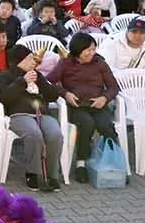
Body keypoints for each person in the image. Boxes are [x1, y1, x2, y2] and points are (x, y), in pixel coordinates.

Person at [52, 32, 122, 179]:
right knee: (86, 123)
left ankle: (116, 163)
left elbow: (113, 87)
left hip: (97, 104)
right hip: (76, 106)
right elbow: (49, 82)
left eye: (93, 49)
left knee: (106, 125)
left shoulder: (99, 63)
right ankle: (81, 163)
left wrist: (104, 98)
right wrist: (65, 94)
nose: (91, 53)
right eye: (88, 50)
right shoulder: (65, 63)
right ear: (78, 50)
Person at [0, 44, 63, 191]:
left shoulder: (37, 75)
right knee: (34, 134)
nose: (34, 61)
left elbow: (52, 95)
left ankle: (52, 174)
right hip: (19, 115)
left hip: (41, 113)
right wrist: (22, 82)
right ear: (18, 61)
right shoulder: (6, 75)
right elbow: (2, 97)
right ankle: (34, 172)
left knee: (55, 134)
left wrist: (40, 82)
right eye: (29, 59)